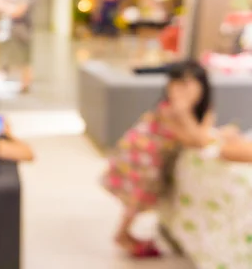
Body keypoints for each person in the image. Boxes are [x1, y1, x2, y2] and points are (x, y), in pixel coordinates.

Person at [102, 60, 252, 258]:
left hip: (154, 157)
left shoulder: (204, 108)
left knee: (140, 199)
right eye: (177, 84)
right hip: (142, 156)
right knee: (138, 199)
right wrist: (183, 112)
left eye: (188, 85)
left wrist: (217, 133)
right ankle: (123, 233)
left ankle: (124, 233)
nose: (182, 90)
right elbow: (195, 139)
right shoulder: (169, 110)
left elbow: (202, 134)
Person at [0, 0, 37, 93]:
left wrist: (4, 6)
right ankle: (3, 75)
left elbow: (17, 11)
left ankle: (25, 84)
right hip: (9, 31)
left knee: (24, 59)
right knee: (5, 56)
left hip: (22, 32)